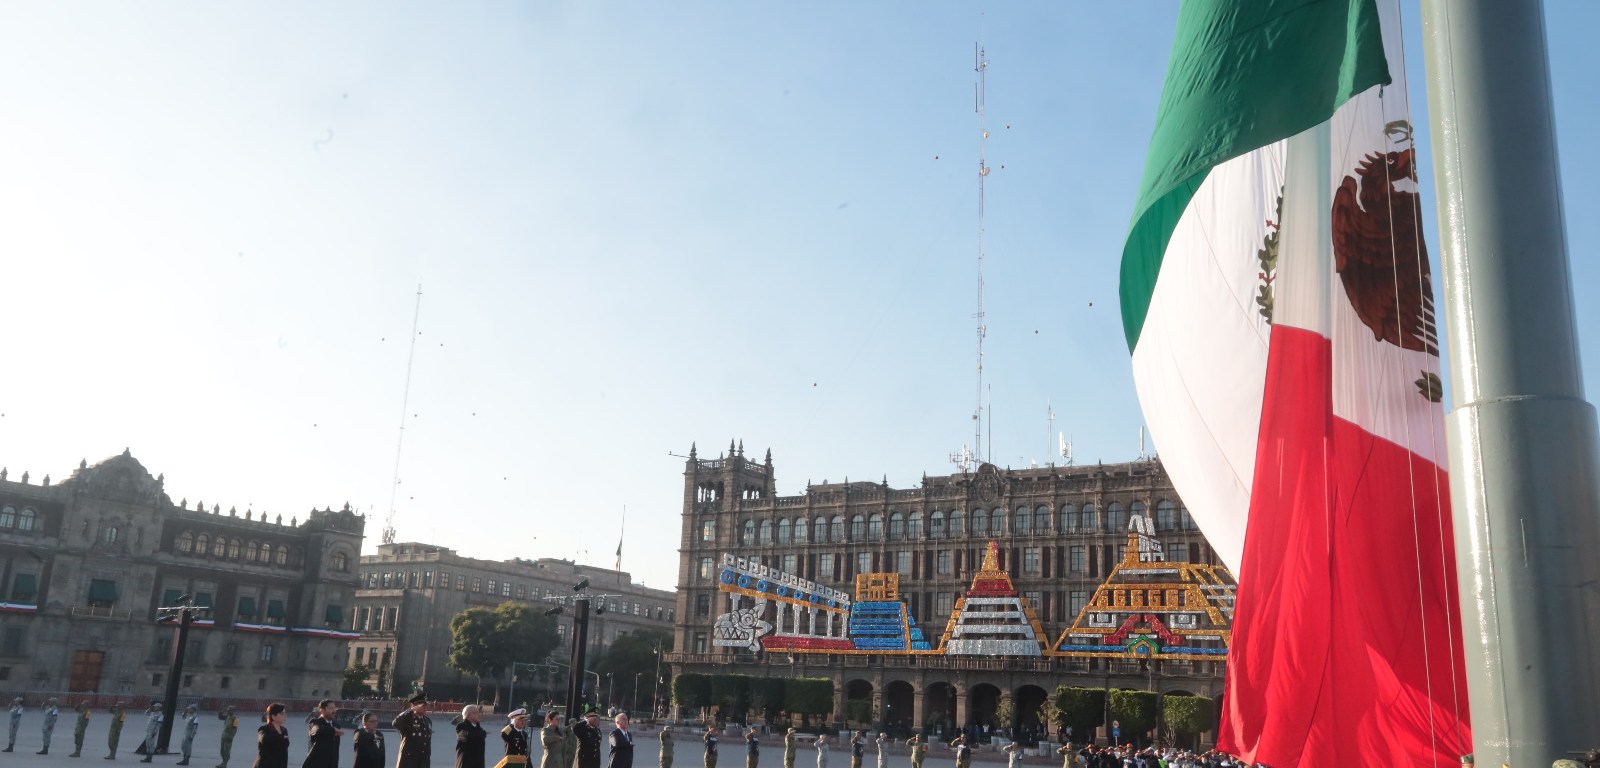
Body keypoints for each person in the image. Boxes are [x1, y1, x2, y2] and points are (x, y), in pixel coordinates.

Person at [392, 694, 433, 768]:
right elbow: (395, 723)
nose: (425, 707)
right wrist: (411, 710)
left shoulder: (427, 721)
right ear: (414, 705)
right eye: (422, 705)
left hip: (423, 762)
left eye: (426, 705)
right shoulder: (408, 719)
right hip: (408, 762)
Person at [304, 701, 344, 768]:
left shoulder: (337, 725)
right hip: (316, 764)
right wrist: (332, 730)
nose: (334, 711)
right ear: (322, 710)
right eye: (331, 708)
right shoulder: (315, 722)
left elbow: (335, 751)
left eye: (334, 708)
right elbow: (316, 730)